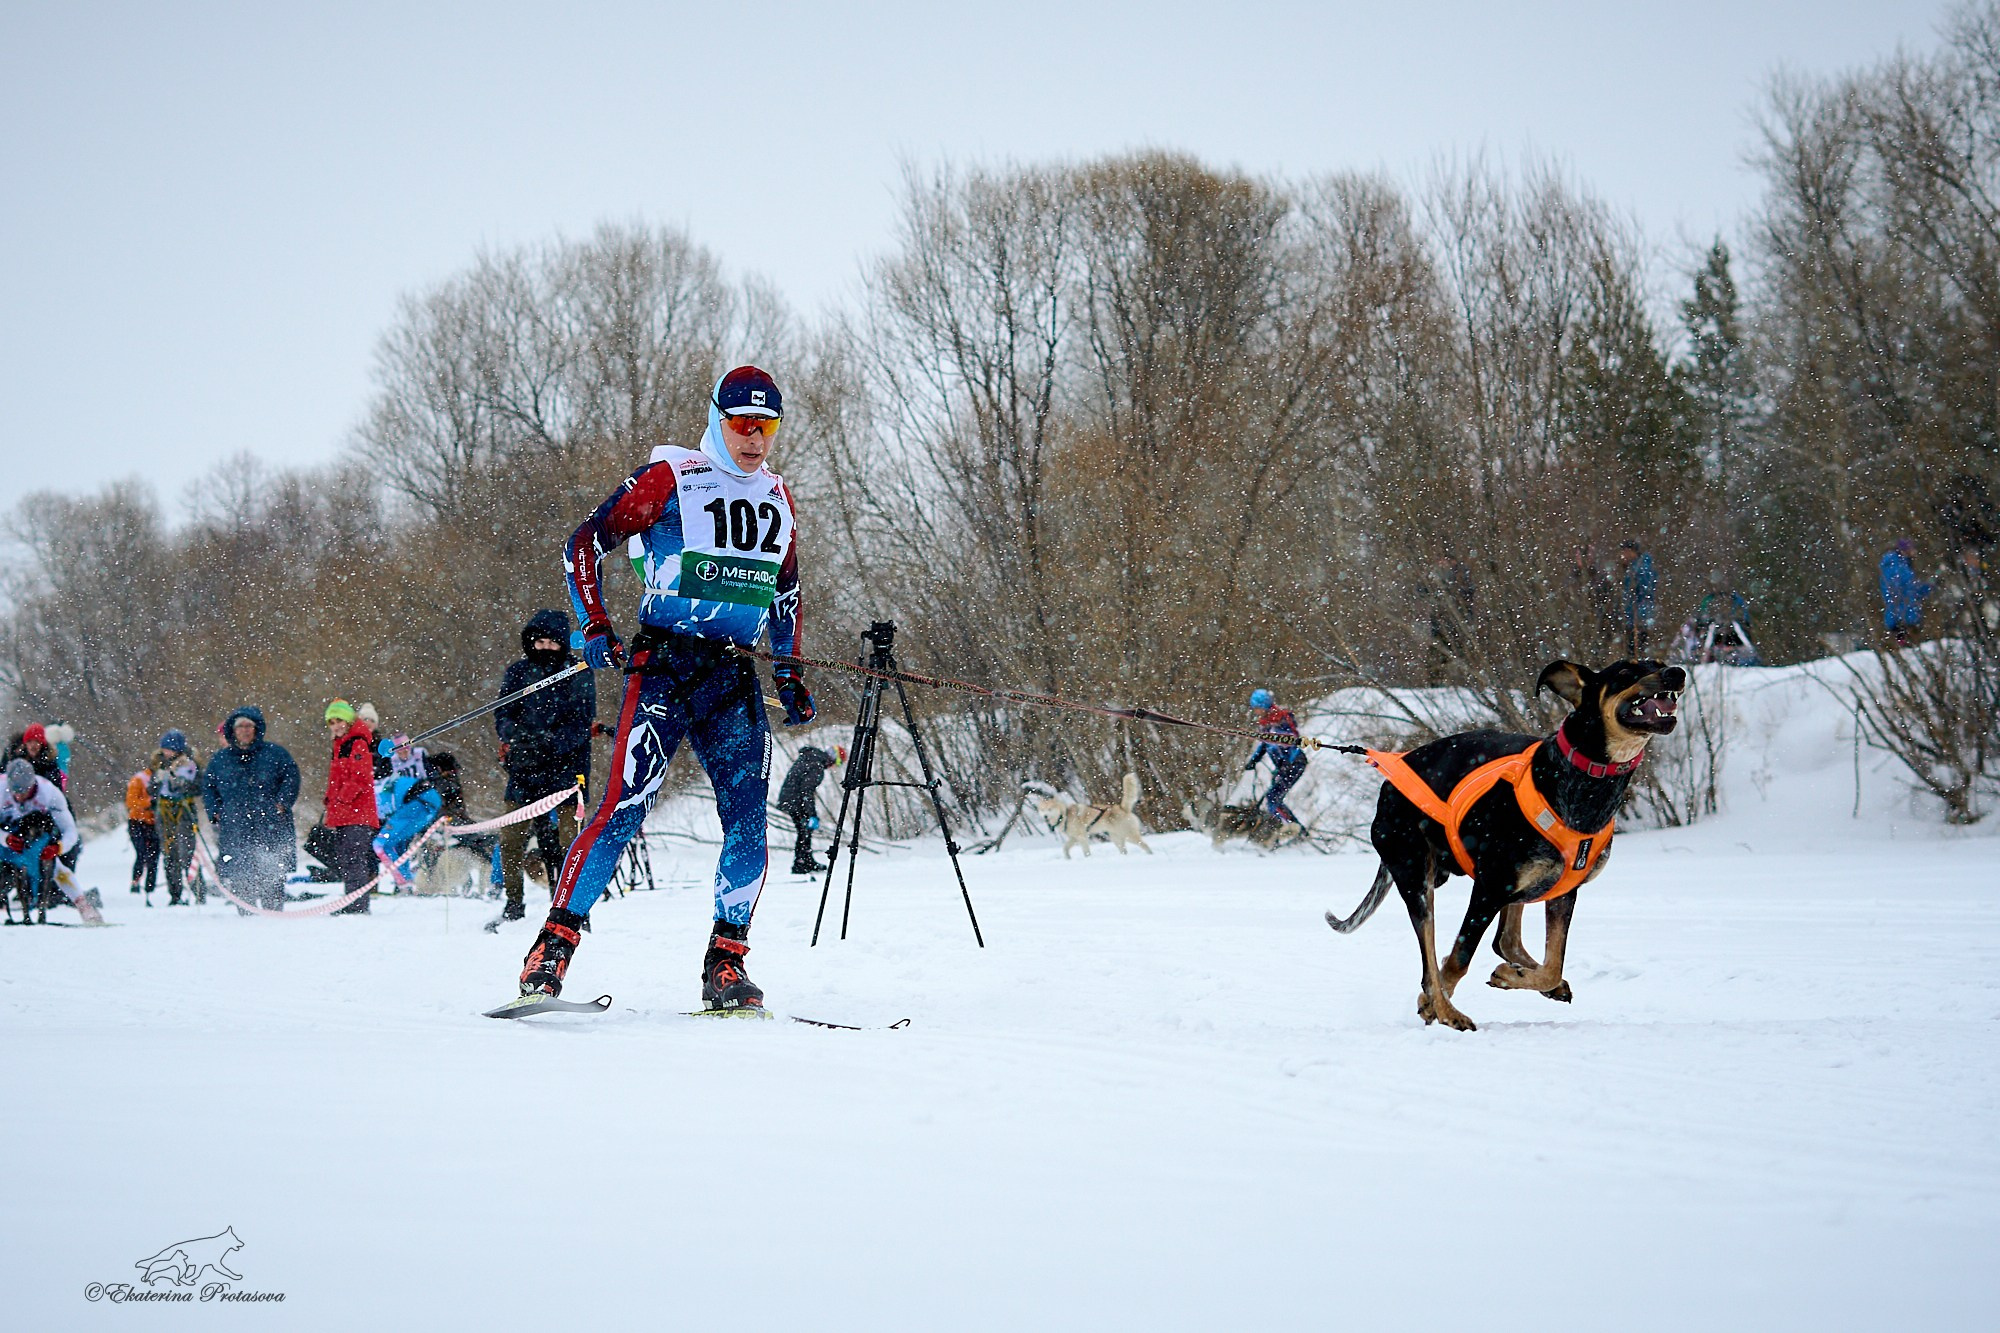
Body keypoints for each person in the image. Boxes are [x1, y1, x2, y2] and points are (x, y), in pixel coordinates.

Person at [514, 365, 812, 1013]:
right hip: (665, 666)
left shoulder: (779, 497)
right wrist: (594, 621)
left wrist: (788, 667)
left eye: (767, 425)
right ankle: (552, 948)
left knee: (748, 818)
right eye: (741, 424)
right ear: (718, 420)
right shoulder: (674, 478)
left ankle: (726, 962)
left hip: (731, 674)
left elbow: (786, 587)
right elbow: (587, 541)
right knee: (624, 806)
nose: (754, 438)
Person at [494, 609, 596, 922]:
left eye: (552, 642)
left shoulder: (578, 671)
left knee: (570, 843)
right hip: (524, 770)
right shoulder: (517, 673)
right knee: (511, 841)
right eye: (539, 642)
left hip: (567, 771)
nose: (546, 647)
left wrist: (551, 742)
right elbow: (503, 715)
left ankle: (572, 909)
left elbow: (582, 722)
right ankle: (513, 905)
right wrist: (520, 736)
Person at [202, 706, 301, 912]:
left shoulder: (275, 754)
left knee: (271, 872)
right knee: (240, 875)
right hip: (235, 827)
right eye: (240, 727)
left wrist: (282, 803)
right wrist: (216, 812)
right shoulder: (220, 760)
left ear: (257, 729)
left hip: (270, 824)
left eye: (249, 726)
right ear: (233, 730)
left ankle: (273, 916)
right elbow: (208, 788)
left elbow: (291, 779)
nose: (245, 730)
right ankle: (246, 917)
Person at [0, 758, 99, 924]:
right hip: (7, 831)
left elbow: (70, 832)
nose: (20, 796)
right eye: (16, 791)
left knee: (56, 867)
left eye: (25, 791)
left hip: (36, 833)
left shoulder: (49, 792)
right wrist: (5, 838)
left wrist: (59, 847)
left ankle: (84, 906)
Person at [322, 699, 380, 916]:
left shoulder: (357, 743)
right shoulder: (340, 745)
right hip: (346, 812)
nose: (336, 726)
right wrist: (330, 799)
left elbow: (359, 778)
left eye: (339, 721)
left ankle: (357, 905)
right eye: (332, 722)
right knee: (348, 858)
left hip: (358, 812)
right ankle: (353, 900)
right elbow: (338, 778)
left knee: (354, 858)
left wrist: (341, 800)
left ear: (347, 721)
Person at [150, 731, 203, 906]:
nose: (167, 752)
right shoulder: (159, 765)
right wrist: (157, 783)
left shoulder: (190, 764)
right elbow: (151, 790)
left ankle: (198, 891)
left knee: (187, 852)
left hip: (185, 812)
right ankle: (175, 894)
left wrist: (184, 784)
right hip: (164, 813)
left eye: (170, 749)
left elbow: (199, 786)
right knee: (169, 853)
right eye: (165, 749)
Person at [1244, 688, 1307, 825]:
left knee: (1273, 799)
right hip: (1284, 766)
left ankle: (1291, 829)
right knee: (1273, 799)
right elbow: (1264, 744)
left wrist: (1287, 764)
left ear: (1264, 706)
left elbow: (1292, 740)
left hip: (1294, 763)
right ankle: (1289, 829)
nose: (1255, 711)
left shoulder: (1281, 718)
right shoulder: (1266, 723)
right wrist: (1254, 760)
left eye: (1257, 708)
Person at [777, 745, 842, 874]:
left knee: (804, 831)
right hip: (795, 800)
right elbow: (807, 791)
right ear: (833, 759)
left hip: (790, 798)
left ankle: (806, 860)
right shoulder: (816, 765)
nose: (834, 767)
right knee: (804, 831)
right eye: (837, 763)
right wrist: (812, 814)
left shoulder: (810, 758)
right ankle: (801, 863)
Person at [1879, 537, 1932, 647]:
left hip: (1900, 615)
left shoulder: (1898, 565)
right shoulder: (1898, 567)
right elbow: (1908, 590)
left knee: (1908, 648)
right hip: (1903, 616)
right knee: (1907, 648)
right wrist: (1926, 587)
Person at [125, 759, 159, 898]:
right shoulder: (139, 779)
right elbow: (131, 801)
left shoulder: (164, 779)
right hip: (137, 822)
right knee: (141, 853)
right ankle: (136, 882)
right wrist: (148, 802)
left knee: (154, 856)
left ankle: (150, 887)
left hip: (155, 823)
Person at [1617, 540, 1658, 657]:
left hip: (1639, 616)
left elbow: (1645, 590)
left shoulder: (1641, 568)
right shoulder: (1634, 567)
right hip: (1635, 615)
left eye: (1625, 552)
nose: (1623, 556)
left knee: (1636, 650)